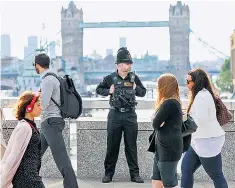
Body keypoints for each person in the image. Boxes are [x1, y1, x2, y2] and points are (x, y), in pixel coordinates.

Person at [96, 47, 146, 183]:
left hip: (130, 115)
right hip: (115, 115)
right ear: (119, 64)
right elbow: (98, 89)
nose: (129, 65)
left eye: (130, 63)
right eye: (126, 63)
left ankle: (135, 175)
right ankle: (108, 174)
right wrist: (109, 91)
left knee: (131, 146)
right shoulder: (110, 78)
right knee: (112, 145)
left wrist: (136, 88)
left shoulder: (134, 78)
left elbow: (143, 92)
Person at [33, 53, 78, 188]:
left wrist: (35, 101)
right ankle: (29, 180)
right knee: (34, 154)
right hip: (50, 122)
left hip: (51, 123)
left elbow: (44, 105)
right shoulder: (55, 78)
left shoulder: (47, 80)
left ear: (37, 65)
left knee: (62, 159)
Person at [181, 68, 228, 188]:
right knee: (186, 168)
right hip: (198, 140)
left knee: (216, 175)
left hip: (208, 141)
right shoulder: (200, 95)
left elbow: (200, 120)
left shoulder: (202, 96)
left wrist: (182, 120)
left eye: (188, 81)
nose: (186, 84)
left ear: (197, 82)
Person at [0, 91, 45, 188]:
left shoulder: (30, 125)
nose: (41, 108)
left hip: (31, 176)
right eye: (38, 105)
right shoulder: (24, 127)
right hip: (27, 178)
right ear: (28, 107)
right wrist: (3, 182)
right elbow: (13, 156)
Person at [151, 74, 183, 188]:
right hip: (162, 148)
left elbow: (155, 123)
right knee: (156, 181)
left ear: (164, 87)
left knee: (169, 184)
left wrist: (158, 121)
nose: (157, 88)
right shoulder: (172, 102)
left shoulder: (169, 103)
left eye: (158, 85)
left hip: (168, 149)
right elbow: (157, 122)